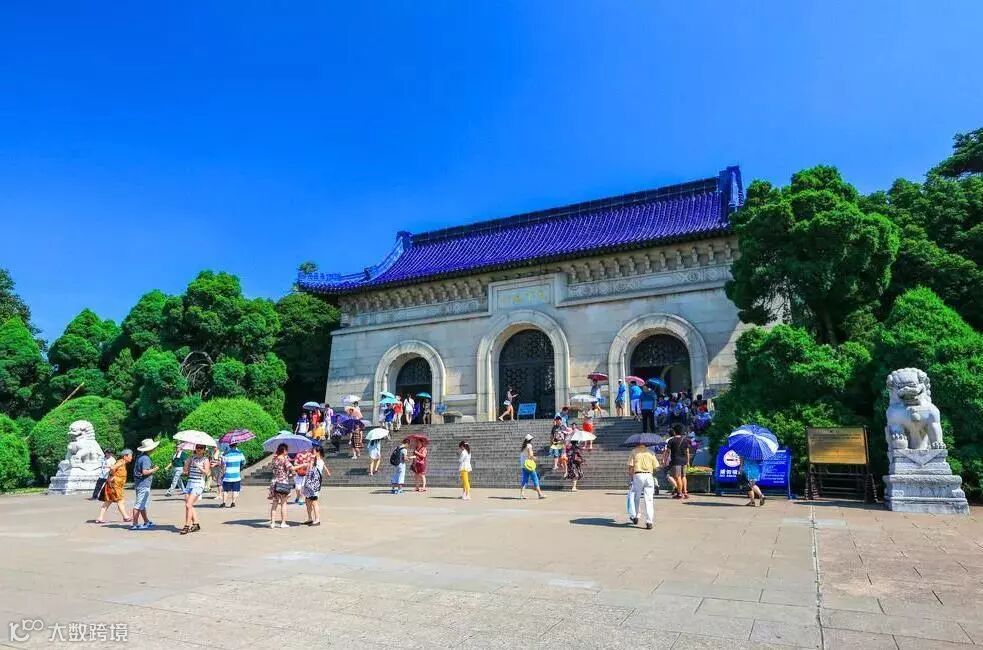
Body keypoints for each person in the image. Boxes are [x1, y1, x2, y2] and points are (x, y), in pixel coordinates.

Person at [628, 440, 659, 529]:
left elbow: (630, 466)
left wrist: (631, 477)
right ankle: (649, 521)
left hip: (638, 475)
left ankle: (636, 515)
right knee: (649, 500)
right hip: (649, 475)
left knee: (636, 497)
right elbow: (656, 467)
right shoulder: (651, 452)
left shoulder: (634, 452)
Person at [96, 449, 132, 524]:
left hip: (115, 485)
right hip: (115, 485)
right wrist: (112, 475)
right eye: (130, 456)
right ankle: (125, 517)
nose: (131, 458)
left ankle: (100, 517)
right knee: (120, 500)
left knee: (108, 501)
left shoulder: (122, 462)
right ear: (125, 456)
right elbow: (112, 467)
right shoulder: (121, 462)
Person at [130, 439, 160, 530]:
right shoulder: (146, 458)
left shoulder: (141, 456)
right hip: (143, 484)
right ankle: (135, 524)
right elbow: (145, 472)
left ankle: (146, 521)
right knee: (139, 504)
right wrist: (154, 469)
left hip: (140, 483)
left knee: (142, 504)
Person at [181, 444, 211, 535]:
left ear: (204, 450)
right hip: (190, 483)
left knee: (188, 505)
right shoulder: (191, 458)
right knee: (189, 505)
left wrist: (198, 466)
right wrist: (186, 464)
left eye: (201, 448)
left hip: (198, 484)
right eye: (197, 447)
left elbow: (207, 472)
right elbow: (185, 471)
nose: (199, 449)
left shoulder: (205, 460)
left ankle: (186, 526)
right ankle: (196, 524)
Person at [302, 445, 330, 525]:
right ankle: (310, 518)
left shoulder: (318, 461)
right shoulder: (314, 460)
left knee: (314, 501)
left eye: (314, 451)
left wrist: (309, 463)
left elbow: (311, 470)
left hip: (315, 484)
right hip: (309, 483)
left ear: (318, 452)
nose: (312, 452)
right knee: (307, 500)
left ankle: (317, 519)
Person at [268, 443, 295, 528]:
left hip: (274, 483)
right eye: (286, 450)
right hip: (283, 483)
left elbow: (275, 470)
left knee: (274, 503)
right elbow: (292, 468)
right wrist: (303, 465)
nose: (287, 452)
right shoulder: (284, 459)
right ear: (283, 450)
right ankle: (283, 523)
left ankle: (272, 523)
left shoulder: (274, 459)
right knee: (283, 503)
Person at [664, 423, 691, 499]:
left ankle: (679, 493)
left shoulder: (671, 440)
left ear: (674, 431)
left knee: (677, 477)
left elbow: (667, 452)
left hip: (676, 461)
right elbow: (687, 452)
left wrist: (665, 460)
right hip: (684, 460)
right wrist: (688, 461)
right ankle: (685, 492)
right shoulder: (685, 440)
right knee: (683, 476)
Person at [518, 435, 545, 500]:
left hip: (523, 465)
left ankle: (522, 494)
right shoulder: (529, 446)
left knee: (525, 480)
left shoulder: (523, 446)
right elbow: (530, 456)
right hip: (529, 465)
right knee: (535, 479)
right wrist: (535, 458)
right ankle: (540, 494)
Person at [220, 442, 246, 508]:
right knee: (235, 490)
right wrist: (240, 466)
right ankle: (233, 503)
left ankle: (223, 503)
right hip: (236, 475)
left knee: (225, 490)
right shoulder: (240, 453)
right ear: (236, 445)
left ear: (229, 446)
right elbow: (244, 462)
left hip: (227, 475)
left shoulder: (226, 454)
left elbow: (222, 464)